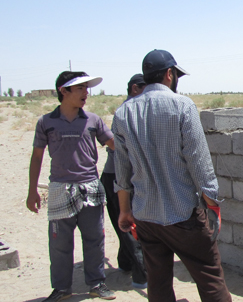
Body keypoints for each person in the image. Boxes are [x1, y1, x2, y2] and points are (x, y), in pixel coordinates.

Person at [111, 49, 231, 302]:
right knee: (210, 278)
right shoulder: (182, 105)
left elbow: (122, 171)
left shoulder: (123, 113)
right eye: (176, 75)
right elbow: (200, 164)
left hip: (146, 216)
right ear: (169, 74)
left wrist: (124, 211)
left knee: (158, 283)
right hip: (183, 214)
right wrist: (212, 205)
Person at [26, 71, 116, 301]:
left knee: (94, 239)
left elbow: (114, 144)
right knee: (59, 244)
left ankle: (97, 283)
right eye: (81, 88)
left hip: (90, 189)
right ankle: (62, 288)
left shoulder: (93, 120)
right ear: (63, 91)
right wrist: (32, 191)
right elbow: (37, 157)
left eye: (87, 88)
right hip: (59, 189)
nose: (87, 92)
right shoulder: (46, 122)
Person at [100, 74, 147, 289]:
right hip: (118, 177)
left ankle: (126, 264)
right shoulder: (129, 111)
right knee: (128, 224)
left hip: (126, 176)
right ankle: (141, 276)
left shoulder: (132, 109)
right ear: (136, 88)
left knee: (125, 222)